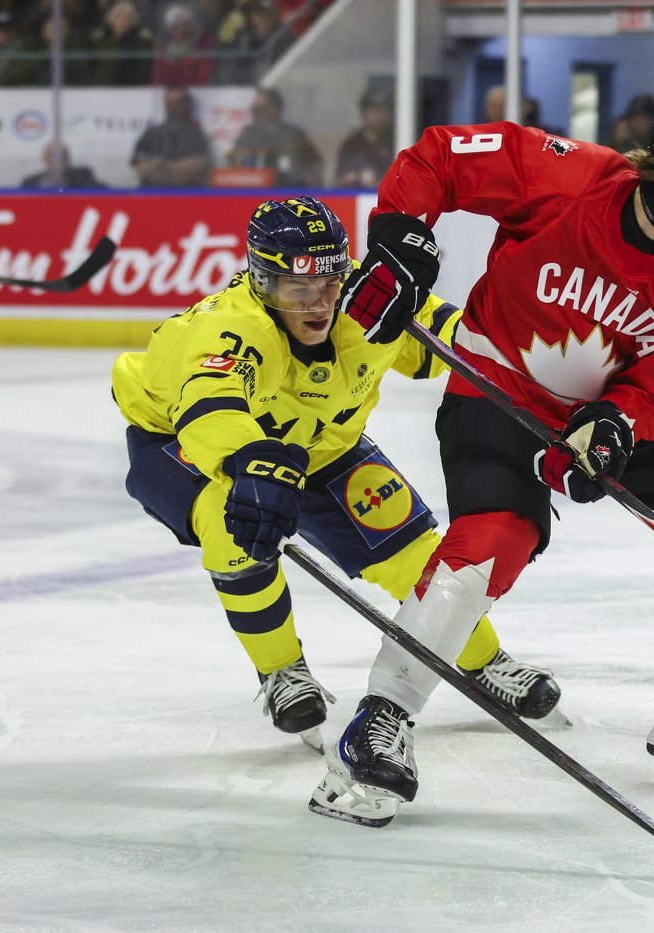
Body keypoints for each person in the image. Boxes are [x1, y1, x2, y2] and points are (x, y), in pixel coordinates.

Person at [311, 82, 654, 825]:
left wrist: (613, 425)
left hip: (588, 422)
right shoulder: (568, 177)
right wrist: (400, 236)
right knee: (492, 541)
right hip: (495, 398)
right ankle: (380, 718)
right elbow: (440, 156)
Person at [111, 196, 562, 752]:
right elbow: (212, 407)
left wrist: (538, 368)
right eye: (296, 288)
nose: (318, 302)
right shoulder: (224, 330)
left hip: (322, 444)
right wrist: (247, 462)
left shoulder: (365, 298)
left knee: (416, 552)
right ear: (260, 281)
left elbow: (458, 337)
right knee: (236, 530)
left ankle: (483, 660)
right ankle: (282, 672)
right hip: (185, 444)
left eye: (329, 282)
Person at [227, 87, 323, 188]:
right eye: (255, 110)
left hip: (291, 189)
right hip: (255, 190)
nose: (257, 114)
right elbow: (234, 161)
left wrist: (309, 176)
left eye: (262, 109)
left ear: (275, 108)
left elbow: (315, 162)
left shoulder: (294, 135)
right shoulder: (248, 135)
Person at [131, 86, 213, 187]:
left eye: (178, 103)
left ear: (186, 105)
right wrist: (175, 169)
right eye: (169, 103)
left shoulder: (196, 134)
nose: (173, 107)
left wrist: (163, 167)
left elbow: (197, 169)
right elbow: (141, 167)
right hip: (152, 195)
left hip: (186, 196)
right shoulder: (151, 134)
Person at [333, 90, 396, 187]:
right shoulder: (352, 145)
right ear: (364, 112)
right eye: (374, 110)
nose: (379, 116)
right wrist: (350, 179)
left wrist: (378, 184)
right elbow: (336, 182)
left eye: (383, 110)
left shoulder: (397, 142)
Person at [20, 143, 106, 189]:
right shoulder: (30, 182)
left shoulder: (83, 177)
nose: (56, 160)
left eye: (61, 156)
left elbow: (104, 193)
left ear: (67, 158)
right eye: (52, 156)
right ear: (44, 159)